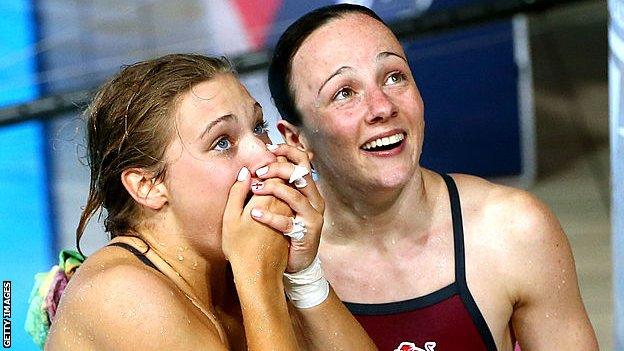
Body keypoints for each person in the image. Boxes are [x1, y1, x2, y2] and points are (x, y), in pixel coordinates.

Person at [264, 4, 599, 350]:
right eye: (344, 93)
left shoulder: (512, 231)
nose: (382, 107)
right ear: (295, 139)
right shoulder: (274, 264)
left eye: (394, 77)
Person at [44, 53, 376, 350]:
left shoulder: (231, 266)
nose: (264, 154)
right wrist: (258, 277)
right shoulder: (120, 294)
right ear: (147, 185)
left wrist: (303, 274)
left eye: (258, 126)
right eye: (222, 143)